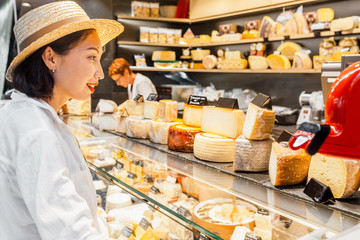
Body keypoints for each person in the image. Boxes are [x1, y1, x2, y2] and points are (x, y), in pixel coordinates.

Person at [0, 1, 123, 239]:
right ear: (51, 58)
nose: (100, 73)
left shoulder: (20, 113)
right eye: (91, 57)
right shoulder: (37, 132)